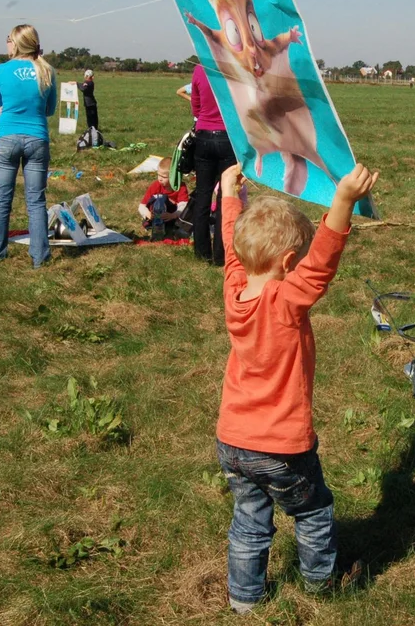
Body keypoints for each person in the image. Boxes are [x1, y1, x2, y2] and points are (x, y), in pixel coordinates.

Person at [216, 161, 379, 613]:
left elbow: (233, 250)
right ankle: (320, 585)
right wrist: (342, 201)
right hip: (282, 446)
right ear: (290, 263)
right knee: (312, 511)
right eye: (299, 260)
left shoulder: (234, 289)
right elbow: (322, 265)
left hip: (232, 440)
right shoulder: (287, 301)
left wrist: (232, 198)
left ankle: (244, 601)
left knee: (249, 521)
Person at [0, 24, 57, 268]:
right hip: (37, 138)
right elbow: (50, 110)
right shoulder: (47, 71)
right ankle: (40, 258)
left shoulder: (2, 70)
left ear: (16, 43)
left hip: (6, 137)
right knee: (36, 201)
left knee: (2, 198)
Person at [190, 63, 237, 266]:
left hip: (203, 137)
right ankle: (221, 254)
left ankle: (201, 252)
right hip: (228, 138)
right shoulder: (232, 67)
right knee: (225, 198)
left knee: (202, 195)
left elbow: (195, 105)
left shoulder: (200, 68)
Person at [138, 157, 189, 236]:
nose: (160, 179)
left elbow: (183, 205)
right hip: (156, 214)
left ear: (173, 176)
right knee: (160, 199)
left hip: (172, 214)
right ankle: (150, 224)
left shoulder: (180, 186)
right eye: (158, 175)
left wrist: (173, 215)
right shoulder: (155, 185)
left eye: (164, 177)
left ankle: (172, 225)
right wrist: (147, 213)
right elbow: (142, 205)